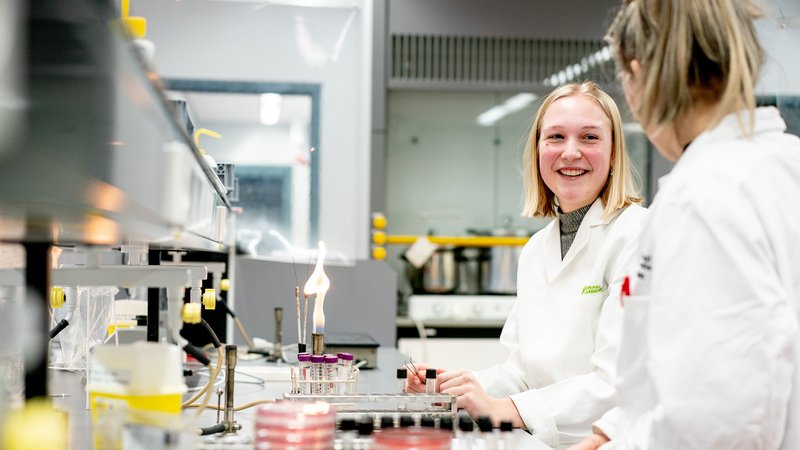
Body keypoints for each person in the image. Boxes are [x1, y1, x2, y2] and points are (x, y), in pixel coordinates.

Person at [569, 1, 800, 449]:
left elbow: (718, 421)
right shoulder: (784, 162)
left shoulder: (704, 195)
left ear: (639, 75)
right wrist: (615, 433)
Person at [408, 81, 647, 448]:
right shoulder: (537, 249)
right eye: (555, 137)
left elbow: (616, 382)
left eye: (589, 137)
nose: (570, 152)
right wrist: (459, 389)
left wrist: (505, 408)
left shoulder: (637, 234)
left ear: (614, 153)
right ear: (538, 151)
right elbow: (523, 373)